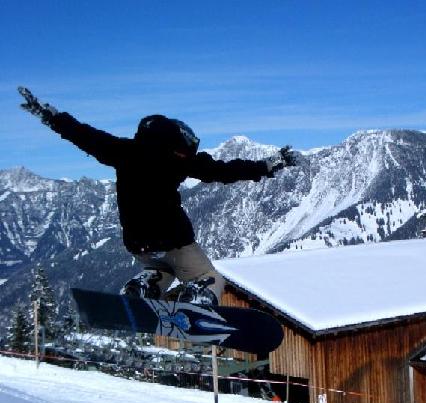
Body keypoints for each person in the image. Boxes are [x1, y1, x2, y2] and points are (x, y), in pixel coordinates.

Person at [18, 87, 295, 306]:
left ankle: (144, 287)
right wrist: (267, 166)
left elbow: (83, 135)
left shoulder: (121, 151)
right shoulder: (177, 160)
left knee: (162, 270)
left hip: (137, 243)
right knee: (208, 277)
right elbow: (224, 171)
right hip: (172, 239)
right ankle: (198, 300)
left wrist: (50, 116)